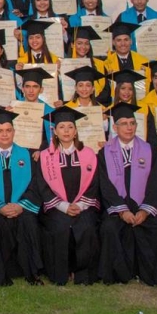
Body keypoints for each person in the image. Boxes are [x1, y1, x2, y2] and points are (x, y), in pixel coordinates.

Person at [97, 103, 157, 287]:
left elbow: (155, 183)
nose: (129, 127)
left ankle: (155, 274)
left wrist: (145, 211)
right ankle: (119, 275)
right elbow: (105, 186)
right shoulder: (105, 152)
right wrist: (122, 211)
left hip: (142, 205)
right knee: (109, 228)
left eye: (132, 123)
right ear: (115, 128)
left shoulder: (148, 150)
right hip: (118, 207)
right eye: (124, 123)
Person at [0, 109, 43, 286]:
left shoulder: (26, 155)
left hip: (21, 207)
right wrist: (0, 207)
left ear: (13, 131)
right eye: (0, 130)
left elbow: (34, 185)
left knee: (29, 222)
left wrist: (20, 206)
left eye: (8, 130)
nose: (4, 134)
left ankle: (32, 273)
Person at [34, 106, 101, 285]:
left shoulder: (89, 155)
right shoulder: (45, 156)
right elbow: (43, 186)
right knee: (61, 226)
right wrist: (63, 206)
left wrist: (79, 206)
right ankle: (60, 273)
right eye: (61, 127)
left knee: (85, 226)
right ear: (54, 131)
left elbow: (94, 184)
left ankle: (83, 275)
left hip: (82, 206)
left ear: (76, 131)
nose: (66, 131)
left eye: (70, 127)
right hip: (56, 207)